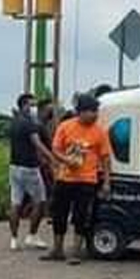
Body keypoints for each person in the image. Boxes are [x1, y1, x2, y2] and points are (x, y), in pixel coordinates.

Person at [44, 94, 111, 265]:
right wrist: (66, 160)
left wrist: (106, 182)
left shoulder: (99, 131)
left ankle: (75, 251)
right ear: (80, 112)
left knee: (81, 216)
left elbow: (105, 158)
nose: (95, 115)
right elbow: (55, 149)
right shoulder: (65, 127)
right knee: (59, 214)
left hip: (87, 180)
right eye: (91, 111)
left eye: (96, 111)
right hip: (65, 178)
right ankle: (57, 249)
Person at [8, 93, 56, 251]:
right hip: (30, 168)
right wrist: (52, 158)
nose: (34, 108)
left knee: (15, 203)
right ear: (25, 105)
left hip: (14, 167)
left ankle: (14, 239)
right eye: (32, 105)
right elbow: (37, 144)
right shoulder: (29, 124)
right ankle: (32, 235)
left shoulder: (14, 122)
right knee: (40, 201)